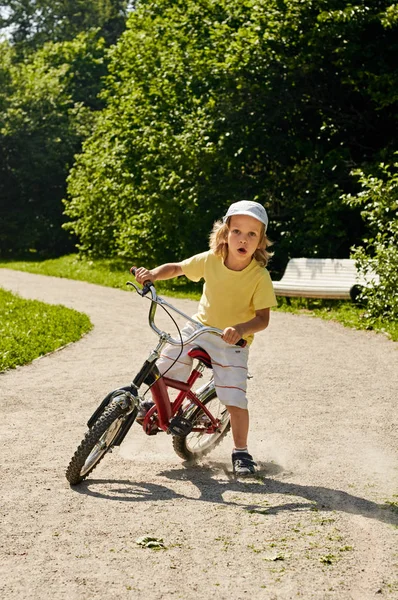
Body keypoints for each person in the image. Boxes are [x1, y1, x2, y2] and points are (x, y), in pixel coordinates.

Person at [133, 200, 277, 476]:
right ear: (225, 233)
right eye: (237, 231)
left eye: (252, 234)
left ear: (260, 242)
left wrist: (241, 329)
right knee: (161, 366)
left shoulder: (259, 276)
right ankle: (153, 406)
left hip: (232, 342)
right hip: (200, 328)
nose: (243, 239)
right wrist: (153, 274)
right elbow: (176, 268)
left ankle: (241, 452)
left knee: (235, 398)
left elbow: (263, 319)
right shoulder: (211, 260)